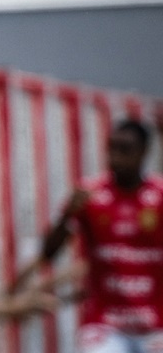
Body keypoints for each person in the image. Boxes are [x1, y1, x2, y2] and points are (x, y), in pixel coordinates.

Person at [12, 118, 163, 353]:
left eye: (125, 150)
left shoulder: (159, 196)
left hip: (156, 326)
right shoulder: (90, 194)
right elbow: (48, 253)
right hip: (105, 325)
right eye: (111, 148)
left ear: (144, 152)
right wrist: (66, 215)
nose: (115, 158)